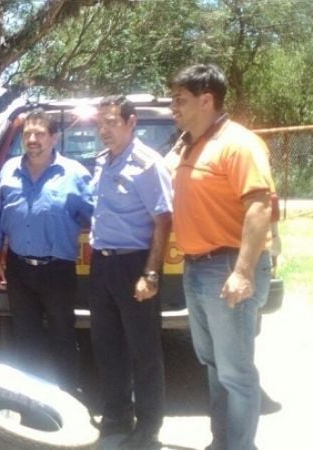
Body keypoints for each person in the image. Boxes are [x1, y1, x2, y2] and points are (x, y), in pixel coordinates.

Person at [167, 64, 275, 450]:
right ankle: (223, 442)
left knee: (236, 374)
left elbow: (260, 206)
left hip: (228, 268)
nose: (172, 107)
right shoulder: (191, 143)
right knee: (214, 368)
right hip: (197, 267)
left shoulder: (238, 143)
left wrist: (243, 271)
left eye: (180, 99)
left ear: (206, 100)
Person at [0, 109, 94, 389]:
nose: (32, 139)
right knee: (25, 340)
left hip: (58, 270)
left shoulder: (75, 174)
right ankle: (31, 403)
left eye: (39, 133)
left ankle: (68, 400)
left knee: (62, 338)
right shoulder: (9, 170)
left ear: (54, 138)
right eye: (27, 134)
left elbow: (97, 217)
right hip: (19, 270)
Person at [88, 96, 173, 449]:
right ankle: (117, 415)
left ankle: (149, 423)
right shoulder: (101, 163)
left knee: (143, 349)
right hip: (102, 263)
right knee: (107, 346)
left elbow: (164, 220)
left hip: (134, 263)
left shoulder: (148, 164)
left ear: (131, 122)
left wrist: (150, 274)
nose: (104, 130)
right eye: (100, 124)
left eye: (111, 122)